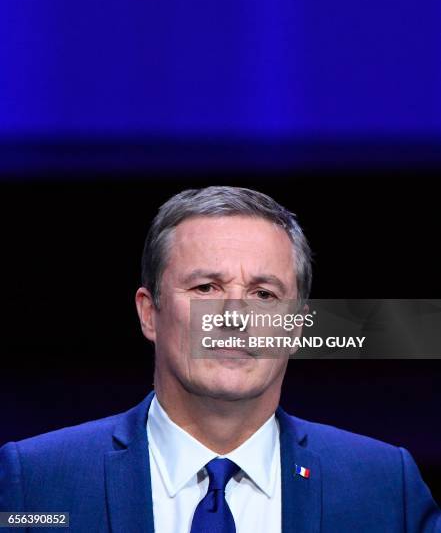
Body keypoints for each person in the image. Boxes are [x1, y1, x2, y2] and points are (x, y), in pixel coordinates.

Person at [0, 186, 439, 533]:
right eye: (205, 288)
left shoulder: (385, 487)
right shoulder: (38, 485)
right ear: (149, 312)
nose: (233, 317)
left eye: (263, 294)